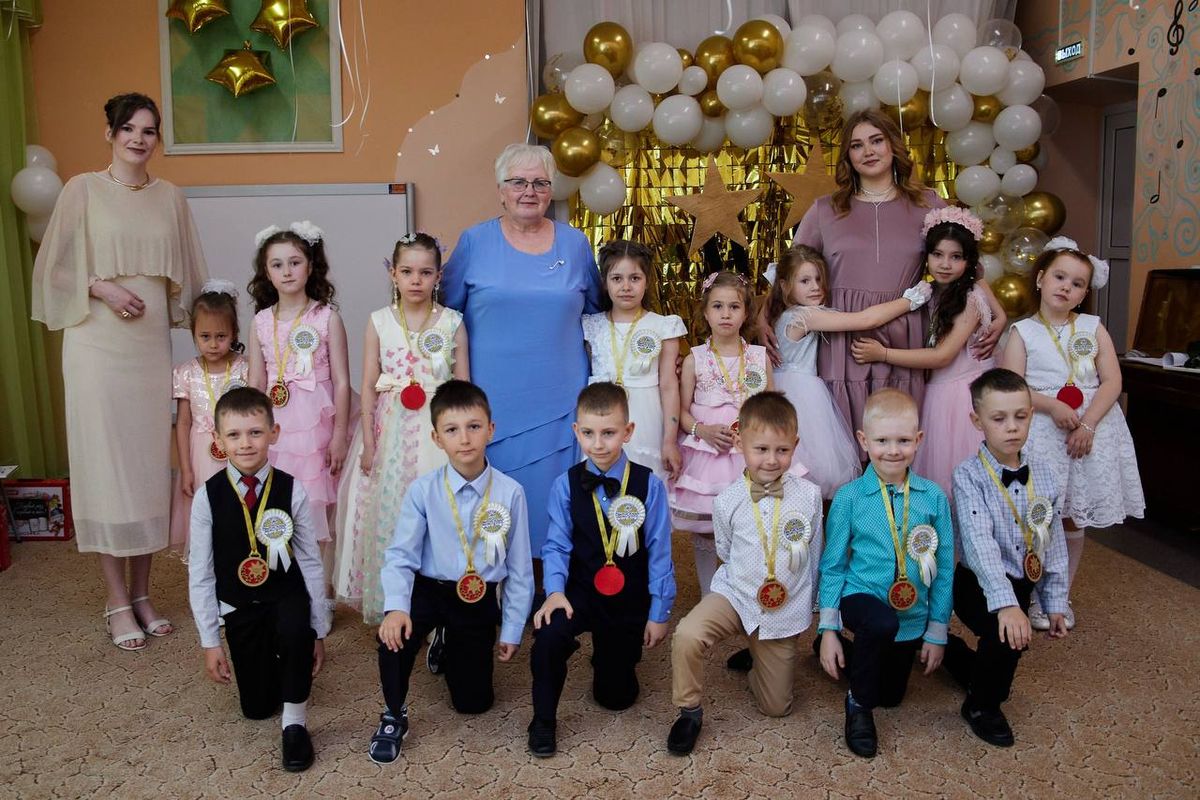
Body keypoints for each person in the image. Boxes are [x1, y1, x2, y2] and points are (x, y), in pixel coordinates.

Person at [30, 92, 207, 652]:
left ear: (158, 139)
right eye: (128, 128)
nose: (138, 139)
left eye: (148, 131)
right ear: (110, 133)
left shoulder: (170, 197)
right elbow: (52, 269)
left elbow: (190, 279)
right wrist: (102, 287)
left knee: (148, 469)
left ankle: (144, 594)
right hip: (95, 347)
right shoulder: (81, 190)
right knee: (107, 470)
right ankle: (115, 600)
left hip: (148, 351)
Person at [784, 109, 1005, 431]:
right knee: (847, 429)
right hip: (842, 336)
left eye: (876, 141)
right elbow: (789, 272)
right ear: (847, 156)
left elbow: (970, 266)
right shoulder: (825, 210)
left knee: (898, 431)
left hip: (905, 331)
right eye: (857, 145)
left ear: (893, 146)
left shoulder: (928, 203)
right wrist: (764, 319)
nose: (868, 151)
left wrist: (998, 313)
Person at [440, 143, 602, 561]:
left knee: (558, 506)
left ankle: (553, 582)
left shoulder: (575, 244)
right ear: (500, 189)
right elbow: (444, 318)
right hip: (492, 404)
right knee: (491, 509)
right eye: (518, 182)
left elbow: (600, 314)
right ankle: (492, 582)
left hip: (562, 403)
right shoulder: (474, 242)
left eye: (540, 183)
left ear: (551, 190)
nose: (529, 191)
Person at [368, 380, 533, 764]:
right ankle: (393, 712)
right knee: (392, 640)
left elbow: (519, 568)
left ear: (491, 429)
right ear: (436, 438)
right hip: (430, 589)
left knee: (473, 704)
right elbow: (401, 555)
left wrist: (511, 628)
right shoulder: (423, 490)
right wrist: (396, 608)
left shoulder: (511, 492)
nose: (465, 438)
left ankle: (447, 640)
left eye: (474, 426)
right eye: (452, 429)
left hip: (476, 595)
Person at [667, 392, 823, 755]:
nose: (771, 459)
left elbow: (814, 552)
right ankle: (689, 711)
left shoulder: (810, 496)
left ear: (795, 445)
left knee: (777, 707)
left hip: (782, 608)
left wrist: (812, 607)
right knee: (687, 634)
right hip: (736, 595)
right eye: (761, 449)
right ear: (741, 444)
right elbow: (724, 550)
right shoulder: (727, 500)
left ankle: (757, 656)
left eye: (782, 450)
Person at [1000, 237, 1144, 630]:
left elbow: (1112, 381)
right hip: (1043, 434)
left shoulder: (1093, 328)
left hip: (1088, 432)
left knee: (1072, 518)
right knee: (1040, 515)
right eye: (1059, 277)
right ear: (1041, 279)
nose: (1066, 287)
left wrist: (1088, 423)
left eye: (1077, 283)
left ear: (1084, 293)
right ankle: (1033, 591)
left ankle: (1058, 596)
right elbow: (1013, 386)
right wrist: (1052, 405)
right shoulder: (1023, 331)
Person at [528, 382, 676, 757]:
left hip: (628, 595)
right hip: (579, 591)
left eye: (609, 433)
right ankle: (543, 719)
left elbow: (660, 551)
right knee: (548, 635)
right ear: (576, 431)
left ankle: (611, 656)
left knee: (616, 697)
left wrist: (659, 612)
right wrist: (554, 592)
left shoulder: (649, 485)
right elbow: (556, 545)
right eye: (589, 433)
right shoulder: (565, 485)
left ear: (628, 431)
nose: (598, 444)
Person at [187, 387, 328, 772]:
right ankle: (278, 661)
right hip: (240, 603)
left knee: (295, 632)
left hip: (284, 593)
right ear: (218, 440)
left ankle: (295, 723)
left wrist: (317, 630)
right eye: (233, 435)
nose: (245, 443)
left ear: (274, 433)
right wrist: (210, 641)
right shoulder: (207, 497)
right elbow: (200, 572)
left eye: (255, 432)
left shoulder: (292, 488)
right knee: (257, 707)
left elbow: (310, 561)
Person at [334, 232, 469, 625]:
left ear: (438, 276)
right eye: (407, 271)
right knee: (390, 513)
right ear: (393, 273)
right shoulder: (379, 321)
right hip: (389, 428)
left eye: (425, 272)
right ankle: (395, 603)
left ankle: (438, 602)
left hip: (437, 431)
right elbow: (368, 386)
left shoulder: (453, 323)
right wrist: (369, 442)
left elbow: (464, 388)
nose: (416, 280)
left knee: (439, 513)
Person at [817, 388, 954, 759]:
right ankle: (857, 706)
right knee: (879, 626)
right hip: (861, 597)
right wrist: (828, 629)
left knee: (891, 696)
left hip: (911, 612)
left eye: (903, 441)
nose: (893, 450)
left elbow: (943, 570)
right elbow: (832, 564)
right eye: (882, 441)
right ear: (864, 441)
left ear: (918, 440)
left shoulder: (933, 497)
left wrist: (938, 631)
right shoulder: (848, 497)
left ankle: (858, 657)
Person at [945, 368, 1069, 747]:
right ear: (977, 421)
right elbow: (979, 543)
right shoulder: (968, 476)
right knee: (1008, 637)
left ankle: (956, 655)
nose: (1012, 427)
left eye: (1021, 416)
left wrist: (1054, 601)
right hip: (976, 583)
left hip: (1022, 580)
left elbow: (1052, 541)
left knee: (1006, 646)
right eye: (999, 418)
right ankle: (981, 707)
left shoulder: (1045, 474)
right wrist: (1006, 605)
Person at [764, 244, 931, 498]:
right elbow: (865, 320)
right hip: (801, 394)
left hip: (787, 386)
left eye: (818, 279)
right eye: (805, 281)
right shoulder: (803, 316)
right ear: (785, 286)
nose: (815, 287)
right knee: (809, 463)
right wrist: (909, 301)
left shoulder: (786, 315)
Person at [852, 208, 996, 497]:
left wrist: (884, 354)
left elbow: (943, 356)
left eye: (956, 257)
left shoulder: (971, 298)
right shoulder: (928, 292)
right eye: (937, 254)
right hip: (934, 392)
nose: (945, 264)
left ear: (969, 262)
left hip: (960, 397)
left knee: (960, 480)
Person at [246, 222, 351, 552]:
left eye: (295, 262)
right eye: (277, 265)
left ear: (310, 266)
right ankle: (284, 575)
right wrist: (252, 432)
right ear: (267, 272)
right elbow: (256, 382)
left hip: (318, 423)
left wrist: (338, 435)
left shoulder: (326, 317)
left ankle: (316, 578)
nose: (287, 271)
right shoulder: (261, 321)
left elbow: (342, 381)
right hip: (277, 423)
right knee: (278, 502)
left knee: (316, 501)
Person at [671, 271, 773, 596]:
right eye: (717, 306)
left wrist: (756, 433)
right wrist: (702, 430)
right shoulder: (695, 359)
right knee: (706, 528)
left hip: (748, 457)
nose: (725, 314)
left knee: (749, 524)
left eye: (734, 306)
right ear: (705, 312)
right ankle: (708, 593)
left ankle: (744, 591)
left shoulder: (758, 357)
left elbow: (772, 409)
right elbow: (681, 412)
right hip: (708, 456)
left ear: (746, 312)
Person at [582, 240, 687, 483]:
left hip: (646, 418)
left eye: (635, 278)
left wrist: (670, 440)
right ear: (605, 282)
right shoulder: (590, 326)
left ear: (647, 281)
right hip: (601, 415)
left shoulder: (663, 326)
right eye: (617, 278)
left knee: (644, 482)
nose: (626, 286)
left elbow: (669, 386)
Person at [169, 281, 250, 556]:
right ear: (193, 333)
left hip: (237, 451)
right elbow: (183, 423)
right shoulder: (186, 372)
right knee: (207, 512)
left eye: (221, 336)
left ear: (234, 332)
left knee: (237, 508)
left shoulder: (244, 368)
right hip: (201, 455)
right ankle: (206, 573)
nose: (213, 344)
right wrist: (186, 469)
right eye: (205, 336)